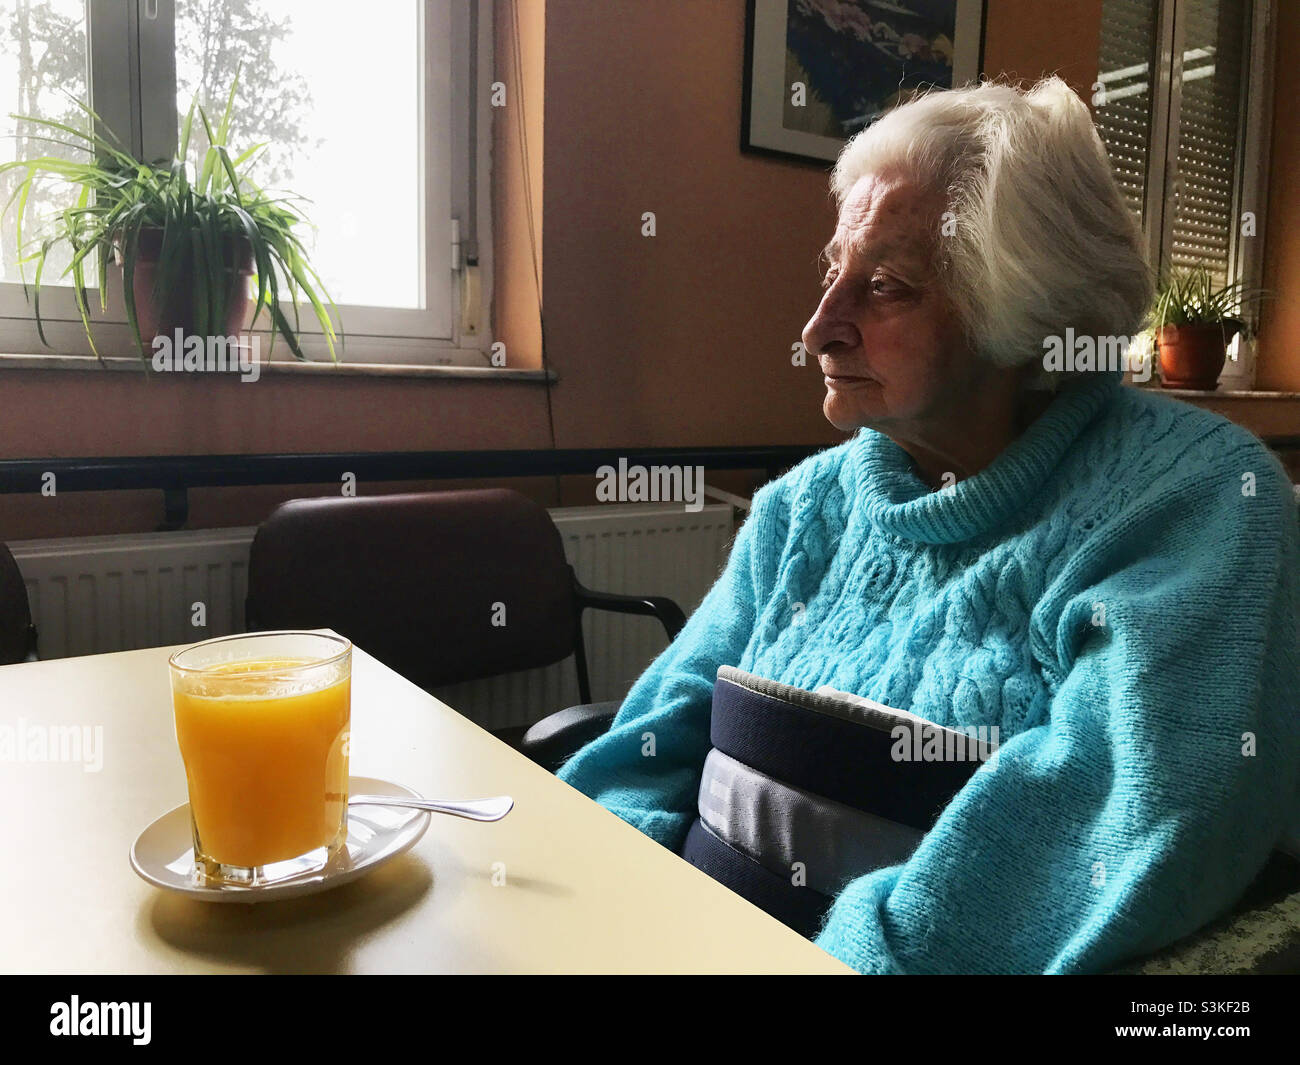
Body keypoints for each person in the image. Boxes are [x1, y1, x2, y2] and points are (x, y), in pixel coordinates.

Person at [557, 77, 1300, 974]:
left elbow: (1124, 816)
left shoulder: (1191, 500)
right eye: (834, 271)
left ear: (1027, 316)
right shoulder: (803, 505)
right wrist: (584, 909)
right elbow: (652, 743)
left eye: (887, 287)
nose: (819, 328)